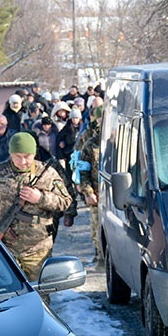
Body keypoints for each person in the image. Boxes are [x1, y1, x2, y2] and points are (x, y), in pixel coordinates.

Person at [0, 132, 72, 282]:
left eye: (27, 156)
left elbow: (65, 201)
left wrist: (40, 198)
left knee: (39, 294)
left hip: (38, 249)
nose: (23, 161)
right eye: (18, 156)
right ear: (10, 153)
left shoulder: (46, 174)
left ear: (34, 153)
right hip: (4, 248)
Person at [74, 105, 103, 266]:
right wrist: (87, 191)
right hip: (97, 194)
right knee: (97, 229)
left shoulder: (118, 140)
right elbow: (82, 169)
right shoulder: (90, 143)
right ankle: (100, 259)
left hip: (117, 194)